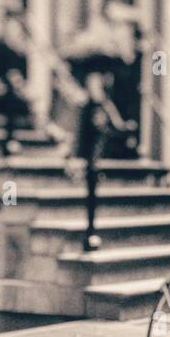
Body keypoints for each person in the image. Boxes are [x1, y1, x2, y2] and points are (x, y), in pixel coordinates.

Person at [73, 71, 137, 250]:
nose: (93, 89)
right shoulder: (86, 107)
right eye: (90, 85)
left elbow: (117, 127)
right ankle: (90, 233)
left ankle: (91, 233)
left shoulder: (106, 106)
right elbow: (79, 134)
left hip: (97, 160)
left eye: (96, 85)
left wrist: (128, 129)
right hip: (89, 160)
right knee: (90, 196)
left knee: (93, 196)